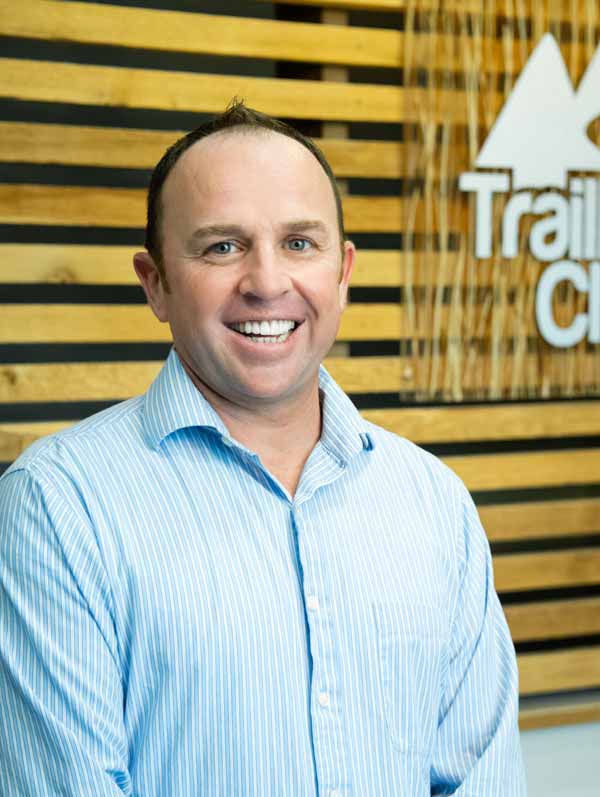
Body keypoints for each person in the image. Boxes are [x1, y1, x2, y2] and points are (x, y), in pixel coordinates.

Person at [0, 101, 526, 796]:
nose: (268, 282)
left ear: (343, 270)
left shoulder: (433, 503)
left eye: (300, 244)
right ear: (154, 282)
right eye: (222, 246)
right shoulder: (56, 507)